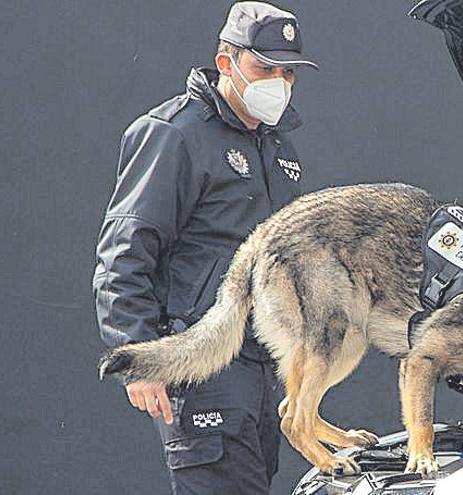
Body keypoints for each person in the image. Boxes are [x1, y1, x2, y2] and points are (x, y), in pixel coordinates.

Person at [93, 2, 318, 493]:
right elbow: (124, 253)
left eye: (288, 71)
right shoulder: (175, 133)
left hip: (267, 360)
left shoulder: (278, 147)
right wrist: (139, 357)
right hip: (201, 360)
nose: (278, 81)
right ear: (226, 62)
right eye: (265, 67)